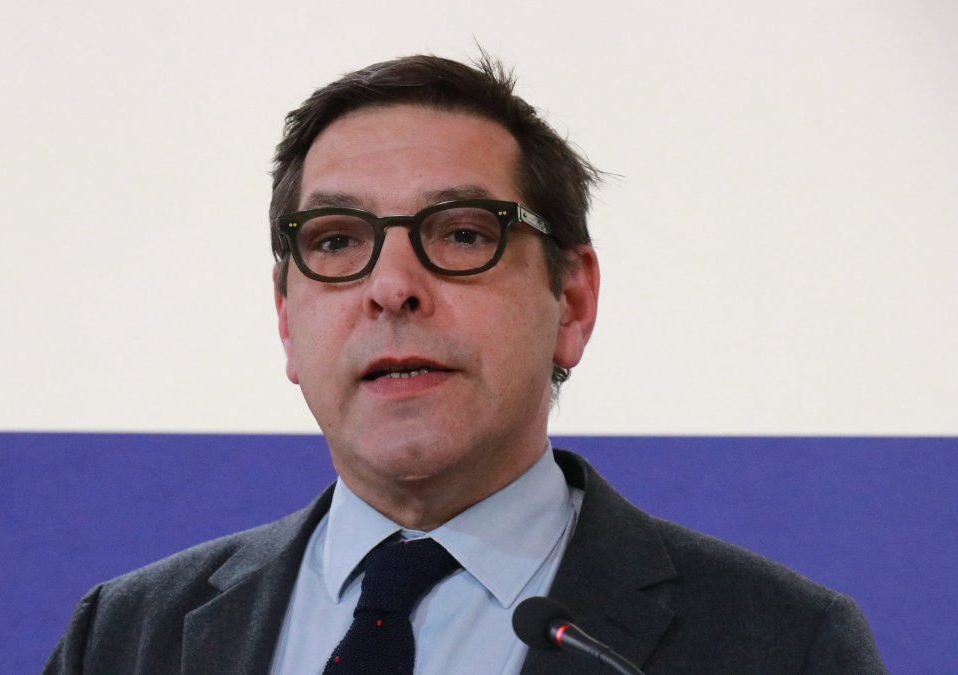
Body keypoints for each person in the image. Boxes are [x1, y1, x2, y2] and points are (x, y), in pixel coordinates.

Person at [44, 54, 885, 674]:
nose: (392, 288)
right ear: (285, 319)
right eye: (337, 241)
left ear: (572, 300)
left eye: (462, 235)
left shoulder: (778, 644)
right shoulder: (126, 635)